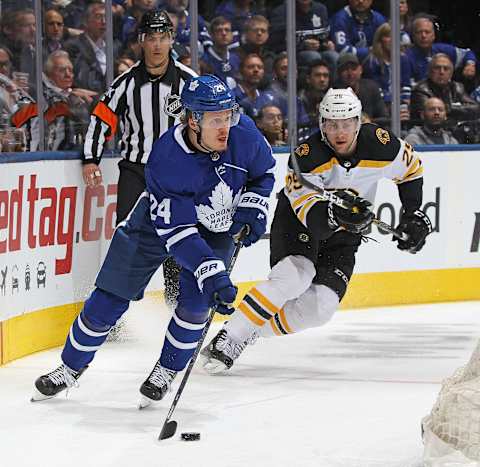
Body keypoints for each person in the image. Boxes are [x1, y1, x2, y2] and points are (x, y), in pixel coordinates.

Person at [31, 75, 276, 405]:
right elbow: (180, 234)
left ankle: (166, 370)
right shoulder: (167, 158)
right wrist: (214, 273)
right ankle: (69, 368)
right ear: (193, 120)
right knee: (109, 298)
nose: (225, 128)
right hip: (157, 225)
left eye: (228, 116)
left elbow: (263, 176)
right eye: (216, 120)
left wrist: (252, 207)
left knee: (196, 305)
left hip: (217, 225)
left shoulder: (243, 133)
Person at [200, 87, 432, 374]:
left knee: (320, 308)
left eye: (347, 123)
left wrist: (413, 213)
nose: (340, 132)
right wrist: (336, 214)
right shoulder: (305, 157)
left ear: (359, 122)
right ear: (322, 124)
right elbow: (314, 220)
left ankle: (249, 331)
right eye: (332, 124)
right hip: (300, 222)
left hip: (346, 234)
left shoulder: (383, 145)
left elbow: (412, 171)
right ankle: (230, 337)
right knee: (296, 275)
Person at [81, 10, 197, 307]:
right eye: (151, 39)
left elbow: (211, 121)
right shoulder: (125, 84)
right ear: (141, 41)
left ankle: (178, 304)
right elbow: (101, 119)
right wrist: (90, 159)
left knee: (180, 236)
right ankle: (118, 306)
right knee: (127, 240)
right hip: (136, 171)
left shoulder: (189, 82)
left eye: (163, 38)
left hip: (178, 172)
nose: (157, 46)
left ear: (172, 40)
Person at [406, 14, 477, 85]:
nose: (423, 36)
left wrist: (470, 64)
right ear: (413, 36)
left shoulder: (443, 49)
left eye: (427, 32)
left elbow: (467, 53)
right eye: (419, 32)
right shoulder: (406, 57)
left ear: (433, 35)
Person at [410, 53, 480, 122]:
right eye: (437, 68)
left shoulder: (457, 87)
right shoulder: (420, 90)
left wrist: (449, 108)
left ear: (451, 73)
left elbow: (476, 109)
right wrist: (457, 108)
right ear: (429, 71)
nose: (441, 72)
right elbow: (433, 115)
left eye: (446, 69)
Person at [334, 53, 387, 125]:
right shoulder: (334, 93)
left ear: (360, 70)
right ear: (338, 73)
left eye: (353, 69)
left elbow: (385, 117)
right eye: (345, 69)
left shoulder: (371, 87)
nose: (350, 73)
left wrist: (369, 122)